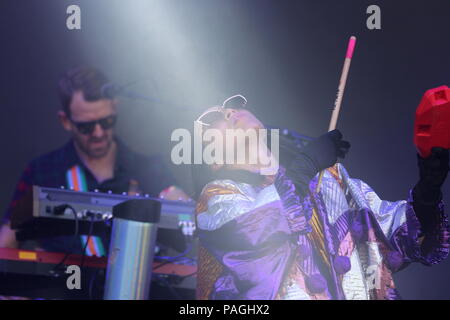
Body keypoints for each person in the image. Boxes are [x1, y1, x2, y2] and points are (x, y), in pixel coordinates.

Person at [193, 95, 449, 300]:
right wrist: (305, 165)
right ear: (214, 160)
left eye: (232, 106)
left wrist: (428, 190)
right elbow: (250, 236)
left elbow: (394, 236)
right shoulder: (219, 195)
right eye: (214, 117)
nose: (229, 111)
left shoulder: (329, 178)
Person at [0, 66, 188, 255]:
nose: (98, 133)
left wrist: (182, 206)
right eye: (86, 126)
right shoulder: (42, 171)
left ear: (115, 107)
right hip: (63, 284)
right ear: (65, 121)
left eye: (106, 122)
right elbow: (6, 244)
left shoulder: (148, 168)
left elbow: (184, 210)